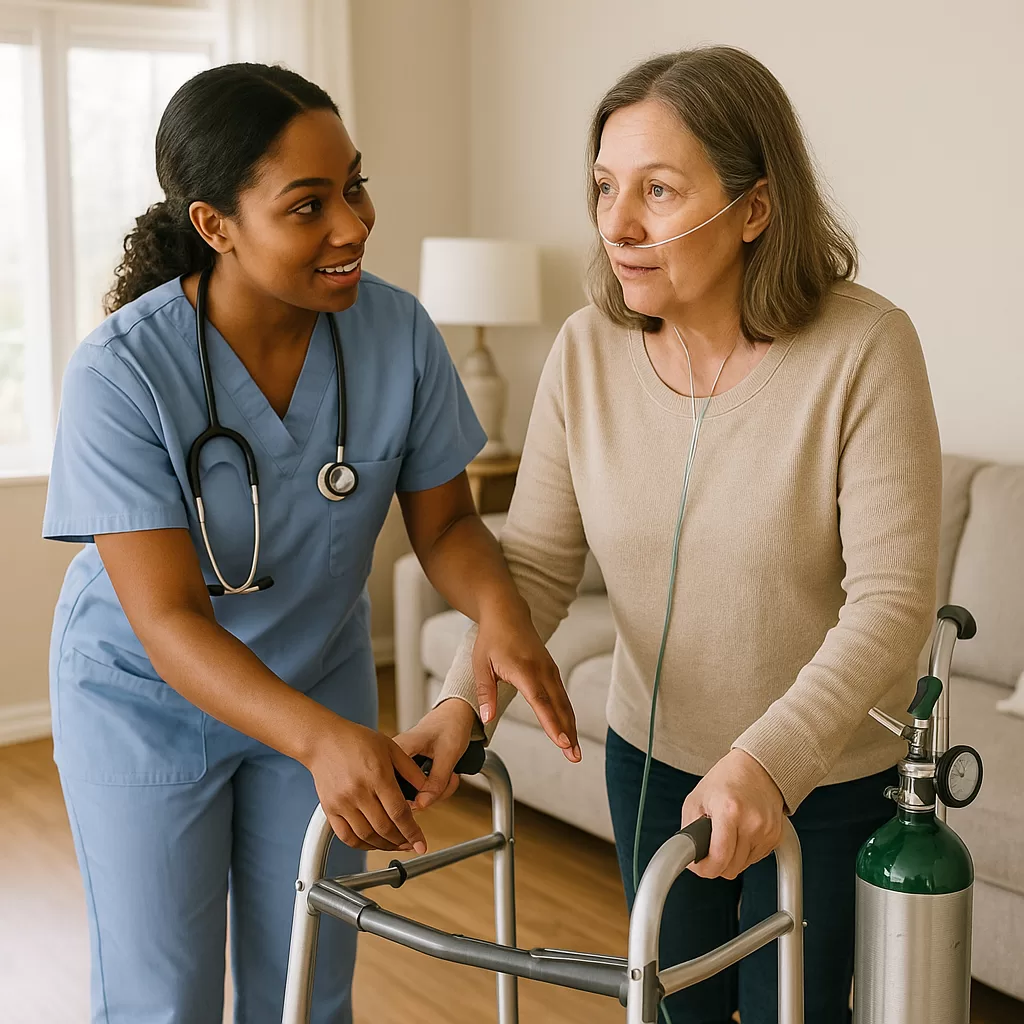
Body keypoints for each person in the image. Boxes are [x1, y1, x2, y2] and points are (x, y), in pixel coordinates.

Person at [400, 46, 941, 1024]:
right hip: (652, 754)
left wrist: (769, 761)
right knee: (671, 1008)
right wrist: (457, 703)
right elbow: (530, 566)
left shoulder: (864, 348)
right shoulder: (584, 350)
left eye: (656, 188)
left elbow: (894, 601)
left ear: (754, 208)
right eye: (605, 186)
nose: (616, 223)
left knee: (797, 1011)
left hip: (823, 773)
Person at [42, 63, 579, 1024]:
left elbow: (448, 522)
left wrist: (500, 618)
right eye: (308, 206)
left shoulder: (397, 333)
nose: (353, 225)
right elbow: (165, 615)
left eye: (355, 186)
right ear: (215, 226)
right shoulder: (122, 372)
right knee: (162, 998)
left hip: (315, 672)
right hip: (147, 698)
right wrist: (324, 738)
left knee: (308, 976)